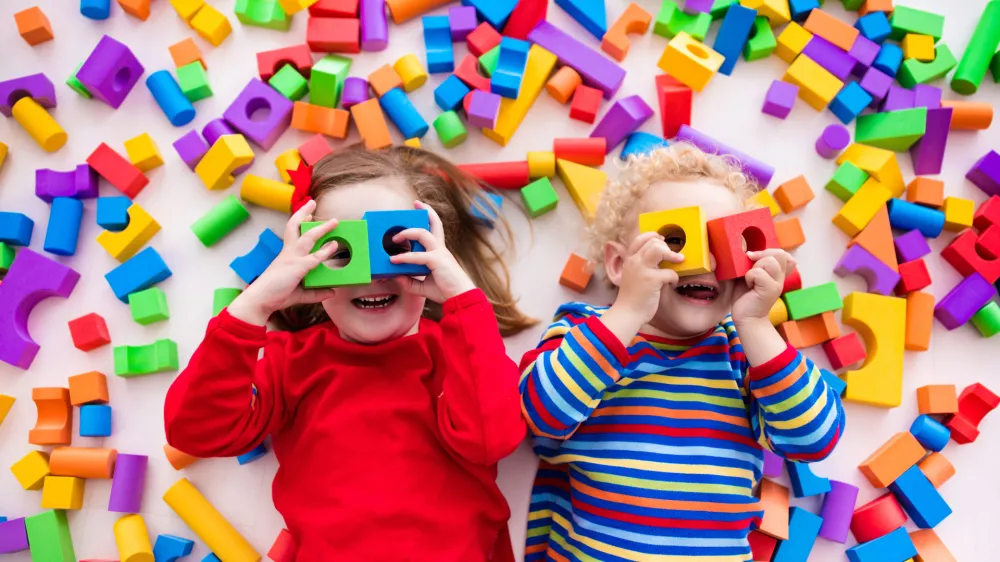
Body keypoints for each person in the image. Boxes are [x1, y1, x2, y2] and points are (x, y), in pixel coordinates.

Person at [164, 145, 536, 561]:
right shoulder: (291, 362)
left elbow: (491, 440)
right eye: (342, 253)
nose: (371, 275)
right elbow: (195, 431)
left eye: (395, 247)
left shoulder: (462, 351)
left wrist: (463, 300)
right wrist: (255, 306)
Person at [519, 143, 846, 561]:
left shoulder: (743, 352)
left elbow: (815, 439)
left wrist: (757, 325)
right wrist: (629, 312)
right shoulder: (587, 331)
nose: (705, 262)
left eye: (726, 244)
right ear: (619, 266)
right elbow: (540, 415)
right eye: (678, 240)